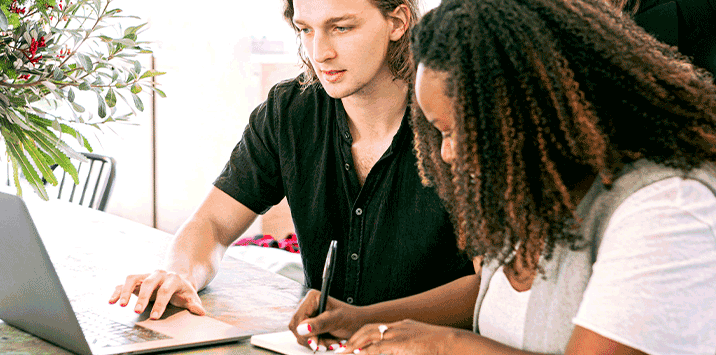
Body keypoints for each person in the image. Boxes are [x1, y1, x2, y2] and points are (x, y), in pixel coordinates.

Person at [288, 0, 716, 353]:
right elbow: (496, 294)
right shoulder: (533, 190)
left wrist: (447, 346)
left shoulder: (665, 207)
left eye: (460, 131)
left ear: (539, 109)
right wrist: (363, 317)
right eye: (439, 132)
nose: (446, 154)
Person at [108, 0, 474, 323]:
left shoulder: (457, 120)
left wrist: (363, 321)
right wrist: (180, 274)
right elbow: (213, 222)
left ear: (398, 22)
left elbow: (490, 289)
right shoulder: (289, 112)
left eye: (341, 28)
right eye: (305, 29)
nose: (320, 51)